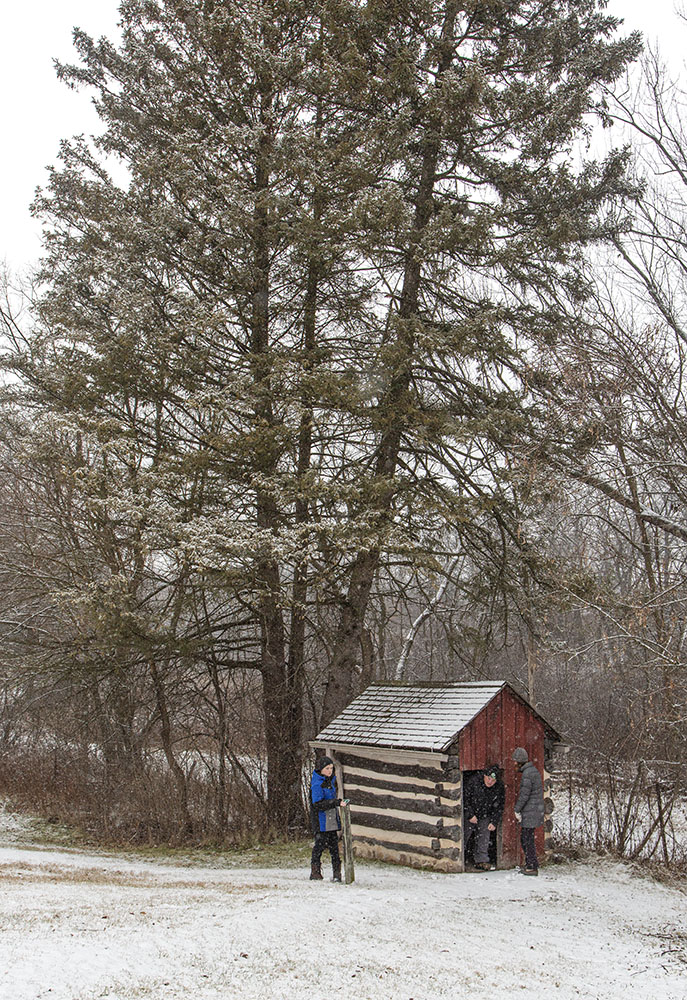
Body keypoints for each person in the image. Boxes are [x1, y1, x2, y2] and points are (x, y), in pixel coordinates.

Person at [463, 764, 505, 871]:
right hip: (471, 813)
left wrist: (494, 822)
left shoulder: (498, 787)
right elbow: (465, 799)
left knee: (484, 836)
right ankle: (461, 857)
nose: (490, 782)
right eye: (489, 778)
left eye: (493, 780)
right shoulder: (473, 782)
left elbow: (499, 806)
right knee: (465, 834)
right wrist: (470, 815)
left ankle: (481, 860)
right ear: (484, 776)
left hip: (485, 814)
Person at [309, 756, 344, 882]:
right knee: (319, 846)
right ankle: (315, 871)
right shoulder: (317, 784)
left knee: (334, 847)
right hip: (321, 821)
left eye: (331, 768)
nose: (330, 771)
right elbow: (317, 804)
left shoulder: (330, 782)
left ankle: (337, 874)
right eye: (327, 768)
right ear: (321, 769)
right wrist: (335, 802)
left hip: (331, 821)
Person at [512, 747, 545, 876]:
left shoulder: (527, 774)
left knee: (526, 839)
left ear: (520, 762)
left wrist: (517, 809)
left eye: (515, 761)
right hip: (534, 811)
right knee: (527, 838)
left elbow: (524, 795)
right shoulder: (532, 771)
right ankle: (532, 863)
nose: (514, 764)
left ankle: (531, 866)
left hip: (530, 812)